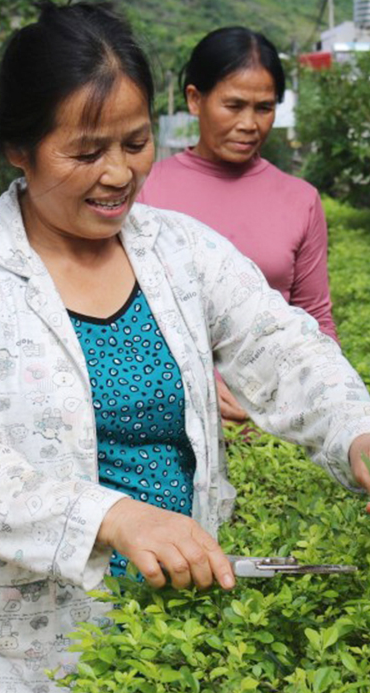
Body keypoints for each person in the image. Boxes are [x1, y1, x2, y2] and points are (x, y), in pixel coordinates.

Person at [0, 2, 370, 693]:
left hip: (183, 626)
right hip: (36, 649)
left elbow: (282, 345)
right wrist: (113, 518)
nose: (118, 174)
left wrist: (363, 431)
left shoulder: (182, 250)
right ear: (18, 149)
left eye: (136, 143)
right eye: (86, 152)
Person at [138, 27, 334, 422]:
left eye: (264, 108)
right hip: (168, 417)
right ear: (195, 99)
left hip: (275, 426)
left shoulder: (300, 199)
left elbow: (315, 318)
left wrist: (333, 405)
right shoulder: (143, 190)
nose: (250, 123)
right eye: (233, 105)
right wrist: (198, 378)